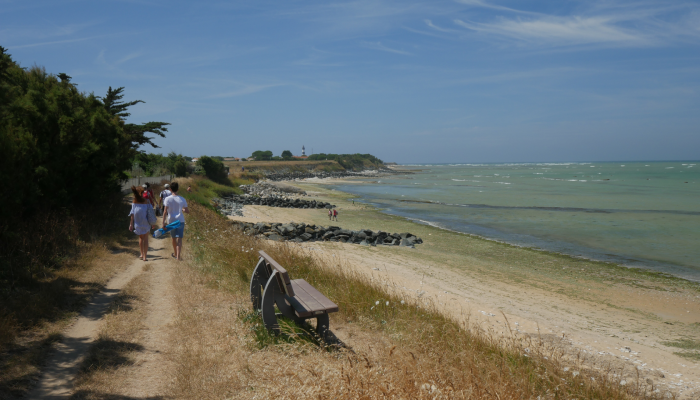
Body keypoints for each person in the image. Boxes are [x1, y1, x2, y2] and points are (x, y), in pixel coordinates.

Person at [163, 182, 189, 261]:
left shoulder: (167, 199)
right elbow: (187, 211)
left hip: (171, 221)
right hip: (180, 220)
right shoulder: (182, 199)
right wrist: (182, 209)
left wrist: (163, 223)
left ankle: (174, 253)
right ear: (178, 189)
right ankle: (178, 256)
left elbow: (165, 212)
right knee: (179, 238)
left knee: (173, 238)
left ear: (170, 189)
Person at [129, 186, 154, 261]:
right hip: (146, 222)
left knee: (141, 238)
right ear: (141, 193)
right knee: (146, 239)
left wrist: (131, 224)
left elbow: (132, 214)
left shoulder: (134, 202)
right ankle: (145, 257)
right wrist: (152, 223)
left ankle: (141, 254)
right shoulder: (146, 201)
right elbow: (150, 213)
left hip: (138, 223)